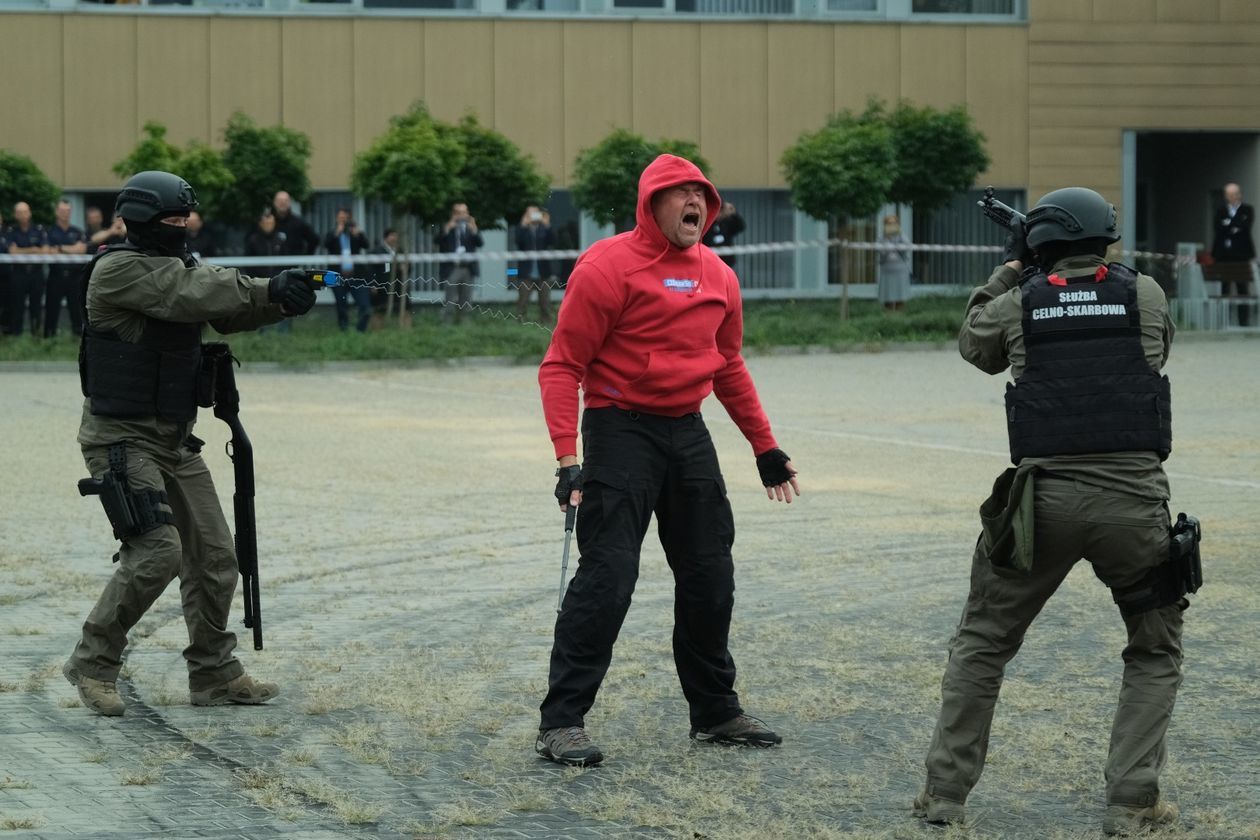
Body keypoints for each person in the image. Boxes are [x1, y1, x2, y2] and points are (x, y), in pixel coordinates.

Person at [915, 188, 1191, 837]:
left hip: (1042, 505)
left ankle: (945, 799)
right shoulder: (1145, 294)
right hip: (1134, 503)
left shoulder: (1018, 301)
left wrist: (1012, 270)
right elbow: (1157, 351)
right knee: (1153, 650)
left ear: (1035, 245)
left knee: (983, 644)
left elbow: (973, 345)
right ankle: (1130, 803)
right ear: (1106, 237)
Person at [535, 154, 801, 767]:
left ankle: (715, 712)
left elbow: (728, 364)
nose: (696, 204)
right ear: (651, 204)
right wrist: (566, 459)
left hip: (688, 431)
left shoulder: (719, 276)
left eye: (703, 195)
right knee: (610, 577)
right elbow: (561, 365)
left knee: (711, 574)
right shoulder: (606, 266)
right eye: (681, 194)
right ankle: (562, 721)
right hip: (619, 429)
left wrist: (764, 446)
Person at [62, 170, 317, 717]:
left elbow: (224, 311)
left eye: (186, 220)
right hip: (121, 439)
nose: (183, 228)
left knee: (214, 556)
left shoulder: (181, 265)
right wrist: (267, 286)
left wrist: (285, 299)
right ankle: (93, 662)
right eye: (173, 221)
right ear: (142, 222)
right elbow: (189, 293)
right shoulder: (118, 270)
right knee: (157, 552)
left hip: (174, 439)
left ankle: (214, 674)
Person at [1210, 182, 1255, 326]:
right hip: (1223, 257)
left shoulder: (1247, 209)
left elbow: (1244, 227)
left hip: (1241, 256)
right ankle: (1223, 322)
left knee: (1242, 288)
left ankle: (1244, 322)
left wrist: (1229, 224)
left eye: (1234, 194)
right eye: (1229, 195)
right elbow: (1218, 228)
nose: (1232, 197)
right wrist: (1233, 226)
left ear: (1239, 194)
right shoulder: (1220, 211)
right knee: (1224, 289)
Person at [5, 201, 50, 336]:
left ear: (29, 213)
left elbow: (46, 250)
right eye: (19, 213)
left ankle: (36, 335)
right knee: (17, 306)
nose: (23, 215)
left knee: (36, 306)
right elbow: (12, 251)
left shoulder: (39, 229)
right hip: (19, 273)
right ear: (15, 215)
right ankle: (16, 334)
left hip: (36, 274)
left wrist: (23, 250)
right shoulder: (11, 231)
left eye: (25, 212)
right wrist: (33, 249)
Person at [45, 199, 88, 338]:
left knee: (76, 311)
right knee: (51, 310)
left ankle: (77, 338)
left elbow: (81, 250)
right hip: (56, 276)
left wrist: (61, 248)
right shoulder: (49, 231)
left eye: (68, 211)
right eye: (63, 210)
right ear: (57, 212)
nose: (66, 213)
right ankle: (49, 338)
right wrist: (72, 248)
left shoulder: (77, 231)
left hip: (74, 277)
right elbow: (49, 251)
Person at [323, 207, 371, 332]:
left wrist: (358, 234)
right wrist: (337, 233)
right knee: (341, 306)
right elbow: (326, 244)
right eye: (340, 218)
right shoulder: (332, 233)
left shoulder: (355, 233)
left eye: (345, 218)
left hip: (356, 276)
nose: (343, 221)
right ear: (336, 219)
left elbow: (366, 245)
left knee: (364, 305)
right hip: (338, 276)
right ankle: (344, 331)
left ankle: (360, 331)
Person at [437, 201, 482, 324]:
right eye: (458, 213)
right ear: (453, 214)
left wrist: (474, 229)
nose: (461, 215)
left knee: (466, 298)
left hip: (468, 268)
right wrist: (447, 228)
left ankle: (465, 323)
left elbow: (480, 243)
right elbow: (438, 241)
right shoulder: (447, 227)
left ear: (467, 213)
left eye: (464, 212)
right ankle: (447, 323)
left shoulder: (470, 227)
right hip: (452, 267)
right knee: (450, 298)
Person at [514, 205, 554, 323]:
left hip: (543, 272)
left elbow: (553, 241)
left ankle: (546, 321)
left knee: (545, 301)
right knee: (523, 300)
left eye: (535, 213)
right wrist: (523, 225)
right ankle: (521, 322)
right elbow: (518, 241)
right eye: (530, 214)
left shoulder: (543, 228)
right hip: (526, 272)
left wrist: (547, 225)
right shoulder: (522, 228)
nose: (533, 216)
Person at [877, 214, 911, 312]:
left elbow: (907, 246)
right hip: (887, 272)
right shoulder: (882, 237)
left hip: (900, 271)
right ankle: (888, 316)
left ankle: (899, 315)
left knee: (900, 295)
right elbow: (880, 250)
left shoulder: (901, 235)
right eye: (889, 223)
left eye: (894, 223)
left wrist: (899, 235)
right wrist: (887, 240)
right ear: (885, 225)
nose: (891, 225)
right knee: (887, 296)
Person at [271, 190, 320, 259]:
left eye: (285, 201)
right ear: (274, 203)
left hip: (293, 266)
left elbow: (314, 239)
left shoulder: (298, 223)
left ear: (290, 203)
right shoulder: (267, 223)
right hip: (270, 266)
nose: (282, 203)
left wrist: (306, 257)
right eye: (279, 200)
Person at [702, 200, 746, 268]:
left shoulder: (726, 223)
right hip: (710, 264)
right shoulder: (706, 224)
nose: (719, 213)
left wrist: (733, 213)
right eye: (718, 210)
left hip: (727, 264)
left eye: (721, 210)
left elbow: (741, 226)